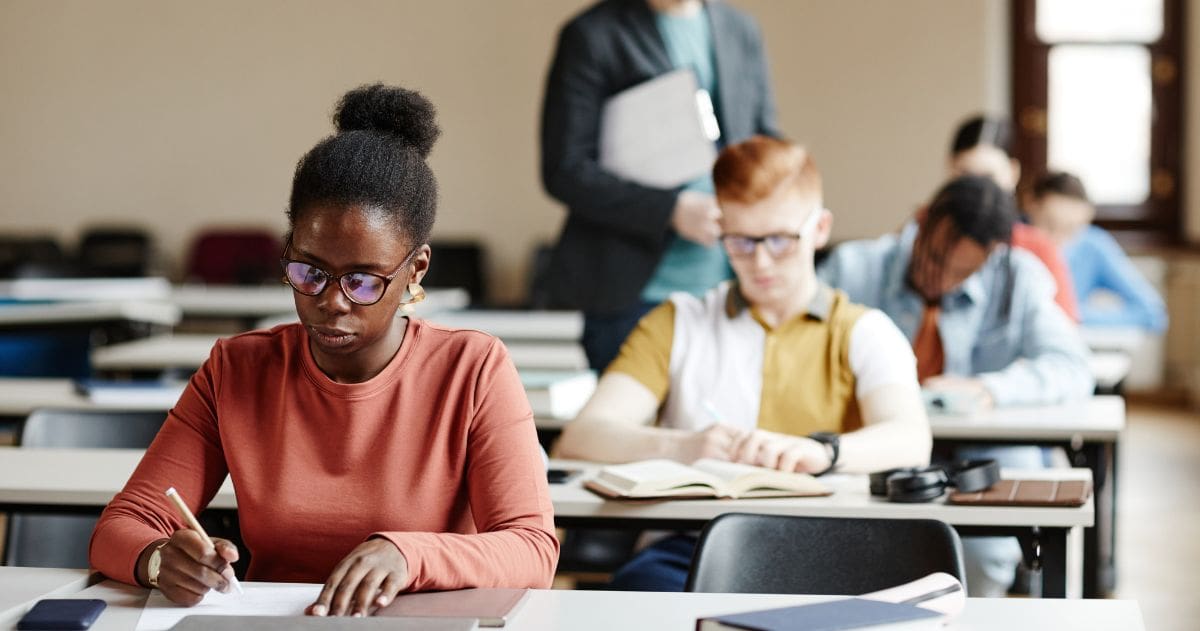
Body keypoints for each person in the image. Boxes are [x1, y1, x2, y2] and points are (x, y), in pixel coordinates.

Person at [90, 85, 559, 616]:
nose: (331, 303)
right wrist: (158, 559)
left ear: (416, 270)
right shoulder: (236, 369)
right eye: (308, 272)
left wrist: (409, 554)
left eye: (363, 280)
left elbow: (532, 549)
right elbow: (121, 526)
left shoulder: (472, 370)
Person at [557, 136, 932, 591]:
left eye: (780, 240)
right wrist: (684, 447)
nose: (759, 262)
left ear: (819, 229)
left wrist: (825, 452)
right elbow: (581, 438)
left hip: (826, 550)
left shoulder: (866, 331)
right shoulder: (678, 322)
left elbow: (911, 438)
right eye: (739, 241)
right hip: (690, 552)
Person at [818, 174, 1094, 596]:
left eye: (962, 271)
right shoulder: (854, 268)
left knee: (987, 556)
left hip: (982, 453)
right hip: (877, 448)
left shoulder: (1017, 277)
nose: (941, 279)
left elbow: (1073, 366)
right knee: (841, 547)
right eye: (933, 259)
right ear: (921, 221)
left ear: (992, 255)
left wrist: (989, 389)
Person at [541, 0, 779, 372]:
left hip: (733, 287)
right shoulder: (592, 34)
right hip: (632, 296)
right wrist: (671, 210)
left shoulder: (740, 29)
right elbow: (565, 169)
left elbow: (766, 144)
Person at [945, 115, 1081, 322]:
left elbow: (1066, 329)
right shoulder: (922, 238)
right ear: (950, 170)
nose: (977, 190)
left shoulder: (1036, 248)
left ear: (1012, 173)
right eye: (966, 175)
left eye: (989, 177)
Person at [1025, 170, 1167, 333]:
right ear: (1030, 205)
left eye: (1070, 229)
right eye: (1049, 225)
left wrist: (1073, 314)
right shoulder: (1009, 242)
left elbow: (1152, 313)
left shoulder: (1093, 245)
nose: (1057, 240)